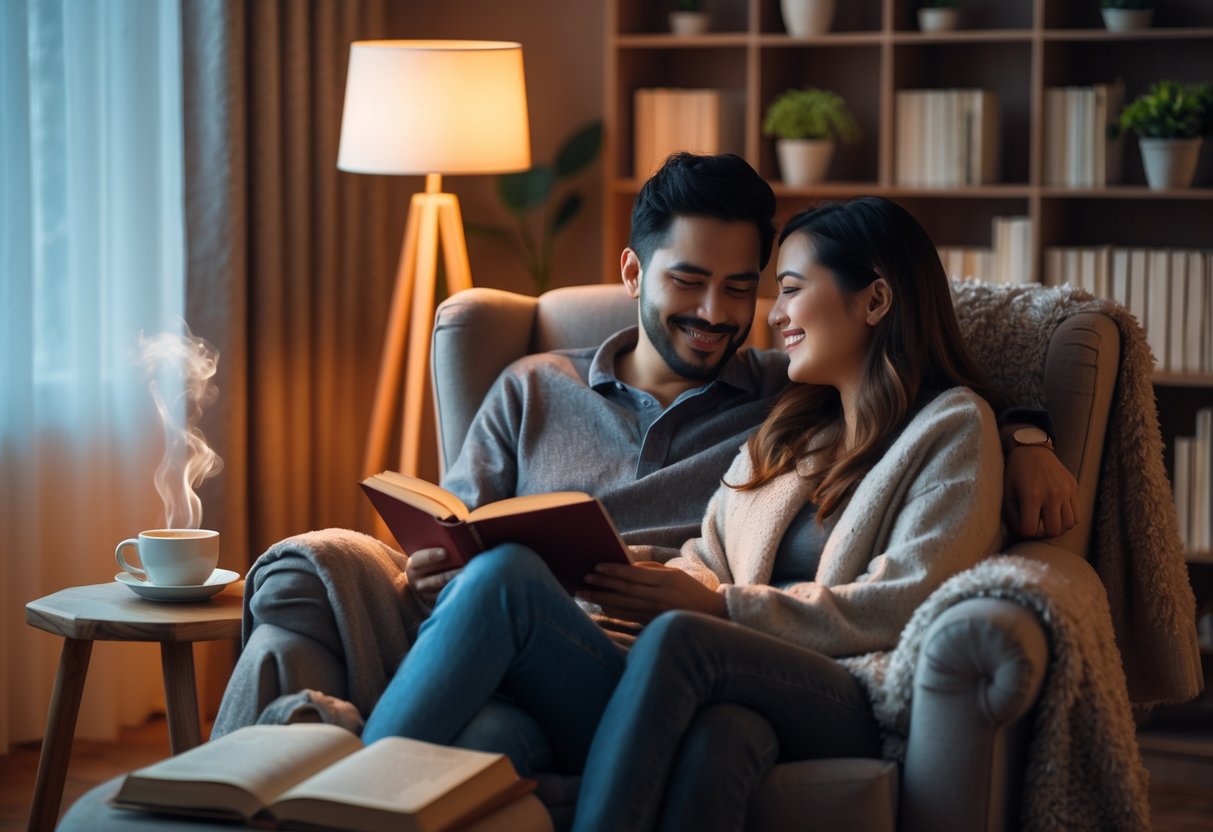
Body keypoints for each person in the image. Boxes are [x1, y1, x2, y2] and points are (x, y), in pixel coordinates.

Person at [213, 154, 1075, 749]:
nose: (716, 313)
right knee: (378, 623)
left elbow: (914, 365)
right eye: (687, 281)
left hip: (636, 657)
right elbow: (447, 538)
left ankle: (342, 765)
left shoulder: (784, 398)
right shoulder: (529, 386)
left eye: (741, 288)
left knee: (502, 597)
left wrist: (1024, 430)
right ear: (632, 272)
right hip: (485, 642)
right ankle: (229, 790)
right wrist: (435, 566)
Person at [564, 196, 1005, 831]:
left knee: (682, 636)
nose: (773, 315)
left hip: (849, 688)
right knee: (724, 737)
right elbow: (708, 556)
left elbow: (906, 599)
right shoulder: (791, 434)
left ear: (876, 300)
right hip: (749, 681)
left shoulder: (952, 426)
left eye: (792, 290)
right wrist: (642, 579)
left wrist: (720, 609)